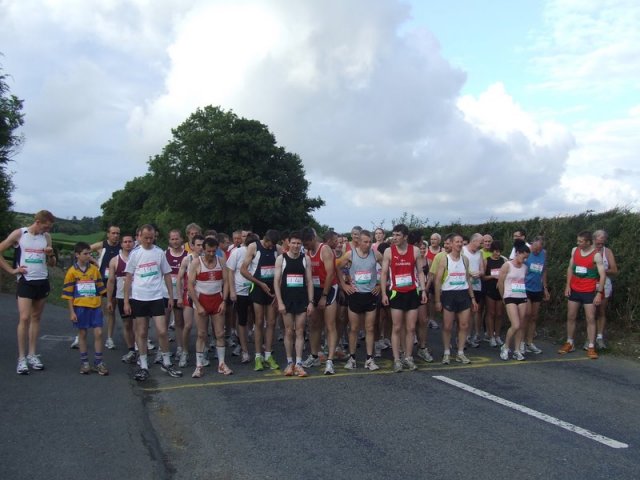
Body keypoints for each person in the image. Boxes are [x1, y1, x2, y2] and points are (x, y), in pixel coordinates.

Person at [0, 210, 56, 374]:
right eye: (46, 226)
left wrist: (50, 255)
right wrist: (11, 270)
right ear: (38, 222)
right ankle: (21, 358)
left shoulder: (46, 237)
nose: (48, 229)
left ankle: (32, 354)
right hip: (25, 281)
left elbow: (52, 263)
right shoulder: (20, 233)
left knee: (36, 317)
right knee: (24, 317)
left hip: (42, 280)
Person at [124, 224, 181, 381]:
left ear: (154, 236)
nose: (148, 240)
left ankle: (167, 362)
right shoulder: (135, 254)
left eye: (151, 238)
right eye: (145, 238)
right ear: (140, 237)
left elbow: (167, 274)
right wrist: (126, 301)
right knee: (141, 332)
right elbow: (128, 277)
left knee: (162, 331)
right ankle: (143, 365)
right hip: (139, 297)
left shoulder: (159, 253)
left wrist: (170, 296)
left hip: (156, 296)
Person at [380, 224, 428, 373]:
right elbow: (383, 274)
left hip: (412, 292)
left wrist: (423, 290)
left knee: (411, 328)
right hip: (396, 293)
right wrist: (383, 293)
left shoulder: (414, 250)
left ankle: (408, 357)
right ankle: (396, 359)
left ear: (405, 237)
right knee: (397, 327)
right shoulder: (388, 251)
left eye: (398, 235)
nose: (394, 238)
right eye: (393, 235)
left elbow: (420, 272)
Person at [61, 242, 108, 375]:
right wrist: (71, 312)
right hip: (80, 307)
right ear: (77, 255)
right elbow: (68, 294)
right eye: (85, 254)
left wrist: (106, 302)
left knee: (98, 333)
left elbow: (100, 289)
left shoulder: (94, 270)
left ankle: (99, 362)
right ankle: (85, 362)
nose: (88, 256)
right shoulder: (72, 272)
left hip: (95, 306)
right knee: (82, 334)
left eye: (90, 254)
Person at [558, 231, 606, 359]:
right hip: (574, 289)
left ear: (588, 242)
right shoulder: (575, 250)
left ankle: (591, 346)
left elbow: (602, 275)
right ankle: (569, 342)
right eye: (578, 241)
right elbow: (570, 268)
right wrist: (568, 285)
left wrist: (599, 293)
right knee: (571, 316)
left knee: (590, 318)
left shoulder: (596, 256)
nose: (578, 243)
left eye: (580, 241)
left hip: (589, 291)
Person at [188, 237, 232, 378]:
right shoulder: (196, 262)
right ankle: (199, 365)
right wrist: (198, 305)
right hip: (202, 300)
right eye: (208, 251)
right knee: (201, 334)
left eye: (214, 251)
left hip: (217, 299)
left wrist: (224, 301)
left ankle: (221, 363)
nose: (211, 254)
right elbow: (190, 286)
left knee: (219, 333)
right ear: (203, 249)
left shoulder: (221, 262)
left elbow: (226, 282)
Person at [340, 229, 383, 371]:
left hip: (370, 295)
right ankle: (352, 358)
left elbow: (387, 269)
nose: (368, 244)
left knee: (370, 328)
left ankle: (369, 359)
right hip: (355, 295)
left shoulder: (376, 254)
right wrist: (344, 285)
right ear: (358, 242)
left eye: (370, 241)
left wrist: (380, 285)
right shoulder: (350, 254)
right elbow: (337, 267)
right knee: (353, 328)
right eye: (365, 242)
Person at [274, 231, 314, 377]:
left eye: (299, 243)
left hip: (302, 299)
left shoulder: (306, 259)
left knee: (300, 331)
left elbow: (309, 281)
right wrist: (279, 302)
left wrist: (311, 302)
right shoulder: (281, 259)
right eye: (294, 243)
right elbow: (276, 282)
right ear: (288, 243)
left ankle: (299, 363)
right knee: (289, 331)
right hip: (286, 300)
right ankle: (289, 362)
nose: (296, 246)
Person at [241, 229, 281, 371]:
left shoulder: (278, 249)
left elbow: (281, 269)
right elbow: (243, 270)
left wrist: (278, 289)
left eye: (273, 245)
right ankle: (258, 356)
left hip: (271, 288)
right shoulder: (254, 247)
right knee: (258, 322)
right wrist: (259, 283)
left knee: (271, 323)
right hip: (258, 287)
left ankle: (268, 354)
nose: (271, 247)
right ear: (265, 239)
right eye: (269, 244)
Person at [434, 233, 477, 365]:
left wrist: (473, 298)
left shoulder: (465, 260)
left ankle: (460, 353)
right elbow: (438, 281)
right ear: (451, 244)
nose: (459, 244)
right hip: (448, 294)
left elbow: (468, 280)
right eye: (456, 242)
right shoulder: (444, 259)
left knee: (464, 325)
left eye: (461, 242)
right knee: (447, 326)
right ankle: (447, 352)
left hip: (463, 294)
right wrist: (437, 300)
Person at [301, 228, 340, 374]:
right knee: (314, 324)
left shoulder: (325, 250)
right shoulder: (307, 252)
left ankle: (329, 360)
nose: (305, 246)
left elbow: (331, 274)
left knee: (330, 325)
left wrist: (324, 296)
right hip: (315, 290)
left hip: (328, 290)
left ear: (313, 239)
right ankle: (314, 355)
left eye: (306, 243)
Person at [87, 225, 121, 350]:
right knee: (93, 308)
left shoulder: (121, 247)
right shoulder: (102, 245)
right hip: (100, 281)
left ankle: (109, 338)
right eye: (113, 233)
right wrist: (95, 262)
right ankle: (81, 336)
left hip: (115, 282)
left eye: (117, 233)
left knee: (111, 311)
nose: (115, 235)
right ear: (108, 234)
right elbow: (85, 250)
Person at [226, 233, 258, 364]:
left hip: (256, 289)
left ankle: (259, 349)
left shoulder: (258, 251)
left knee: (259, 320)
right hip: (240, 291)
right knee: (242, 320)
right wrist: (232, 291)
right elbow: (230, 271)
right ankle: (244, 350)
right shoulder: (237, 252)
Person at [106, 234, 137, 363]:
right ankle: (131, 349)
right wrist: (108, 300)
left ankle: (139, 347)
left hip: (137, 296)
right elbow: (111, 281)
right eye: (125, 241)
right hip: (120, 296)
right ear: (121, 244)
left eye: (130, 241)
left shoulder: (138, 258)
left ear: (134, 243)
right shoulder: (115, 260)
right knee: (126, 323)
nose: (128, 244)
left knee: (138, 324)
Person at [497, 240, 530, 361]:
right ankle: (505, 347)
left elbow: (523, 280)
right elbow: (500, 283)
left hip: (522, 296)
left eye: (526, 258)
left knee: (521, 325)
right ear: (517, 253)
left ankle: (517, 350)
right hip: (509, 296)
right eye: (523, 256)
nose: (524, 259)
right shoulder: (507, 265)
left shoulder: (525, 267)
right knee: (515, 325)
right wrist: (503, 297)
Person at [175, 234, 205, 368]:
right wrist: (179, 296)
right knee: (187, 325)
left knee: (202, 328)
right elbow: (179, 278)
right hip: (189, 295)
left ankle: (201, 353)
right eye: (198, 245)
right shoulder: (187, 259)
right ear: (192, 246)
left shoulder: (207, 258)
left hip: (203, 295)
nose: (200, 247)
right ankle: (185, 351)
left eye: (202, 245)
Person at [162, 229, 188, 364]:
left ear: (181, 239)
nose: (174, 241)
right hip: (165, 294)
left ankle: (180, 347)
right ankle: (163, 350)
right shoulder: (164, 254)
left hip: (180, 294)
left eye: (177, 238)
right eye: (172, 239)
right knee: (163, 324)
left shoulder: (187, 255)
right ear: (169, 240)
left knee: (179, 322)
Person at [590, 230, 617, 350]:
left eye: (602, 243)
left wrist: (601, 270)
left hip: (604, 284)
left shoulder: (607, 251)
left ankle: (599, 337)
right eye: (598, 243)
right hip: (589, 284)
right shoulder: (588, 250)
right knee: (590, 312)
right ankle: (589, 338)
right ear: (593, 240)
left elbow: (614, 270)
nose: (600, 246)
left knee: (601, 311)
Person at [523, 236, 549, 355]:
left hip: (537, 288)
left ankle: (529, 342)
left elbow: (544, 271)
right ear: (532, 244)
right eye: (535, 248)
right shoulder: (526, 252)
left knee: (534, 316)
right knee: (526, 314)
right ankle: (521, 342)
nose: (536, 251)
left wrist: (545, 288)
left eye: (539, 249)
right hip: (525, 288)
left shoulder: (544, 253)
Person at [463, 233, 485, 347]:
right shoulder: (463, 250)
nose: (481, 245)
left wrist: (479, 273)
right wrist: (469, 273)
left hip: (476, 285)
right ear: (474, 241)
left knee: (473, 311)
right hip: (464, 285)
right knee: (463, 313)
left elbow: (482, 270)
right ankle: (460, 337)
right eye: (480, 242)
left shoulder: (479, 253)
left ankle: (468, 337)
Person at [481, 240, 505, 347]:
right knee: (491, 313)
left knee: (499, 314)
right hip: (489, 289)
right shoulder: (487, 261)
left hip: (500, 290)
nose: (497, 253)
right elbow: (483, 277)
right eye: (495, 251)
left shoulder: (503, 261)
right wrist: (492, 276)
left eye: (499, 251)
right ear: (492, 251)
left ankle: (497, 335)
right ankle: (490, 336)